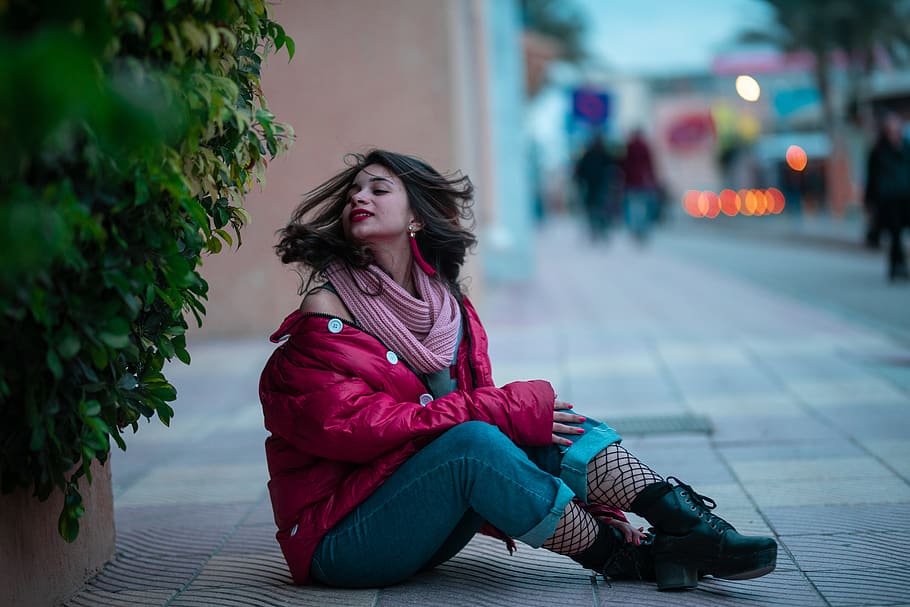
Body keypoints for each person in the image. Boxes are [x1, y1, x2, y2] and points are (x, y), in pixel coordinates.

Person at [259, 149, 778, 591]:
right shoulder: (326, 311)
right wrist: (503, 414)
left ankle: (690, 530)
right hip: (339, 539)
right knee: (483, 439)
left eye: (378, 188)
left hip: (422, 519)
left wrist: (597, 507)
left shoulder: (449, 308)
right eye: (354, 191)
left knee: (537, 425)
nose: (359, 198)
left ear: (416, 216)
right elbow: (353, 429)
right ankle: (624, 559)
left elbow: (497, 440)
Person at [865, 111, 910, 281]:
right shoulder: (878, 150)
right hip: (887, 199)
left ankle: (900, 265)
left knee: (900, 232)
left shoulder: (906, 146)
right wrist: (869, 202)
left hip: (906, 196)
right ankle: (897, 266)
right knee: (895, 233)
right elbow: (872, 177)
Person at [573, 134, 616, 240]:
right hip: (595, 185)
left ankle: (598, 229)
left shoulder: (595, 154)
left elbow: (580, 170)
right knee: (596, 208)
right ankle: (597, 229)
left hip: (596, 185)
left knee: (596, 208)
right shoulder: (600, 153)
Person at [621, 129, 659, 240]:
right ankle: (641, 229)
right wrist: (652, 180)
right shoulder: (644, 147)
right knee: (642, 208)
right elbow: (650, 166)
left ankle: (635, 229)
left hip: (631, 183)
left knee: (633, 208)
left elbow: (624, 166)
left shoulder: (629, 147)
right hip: (642, 183)